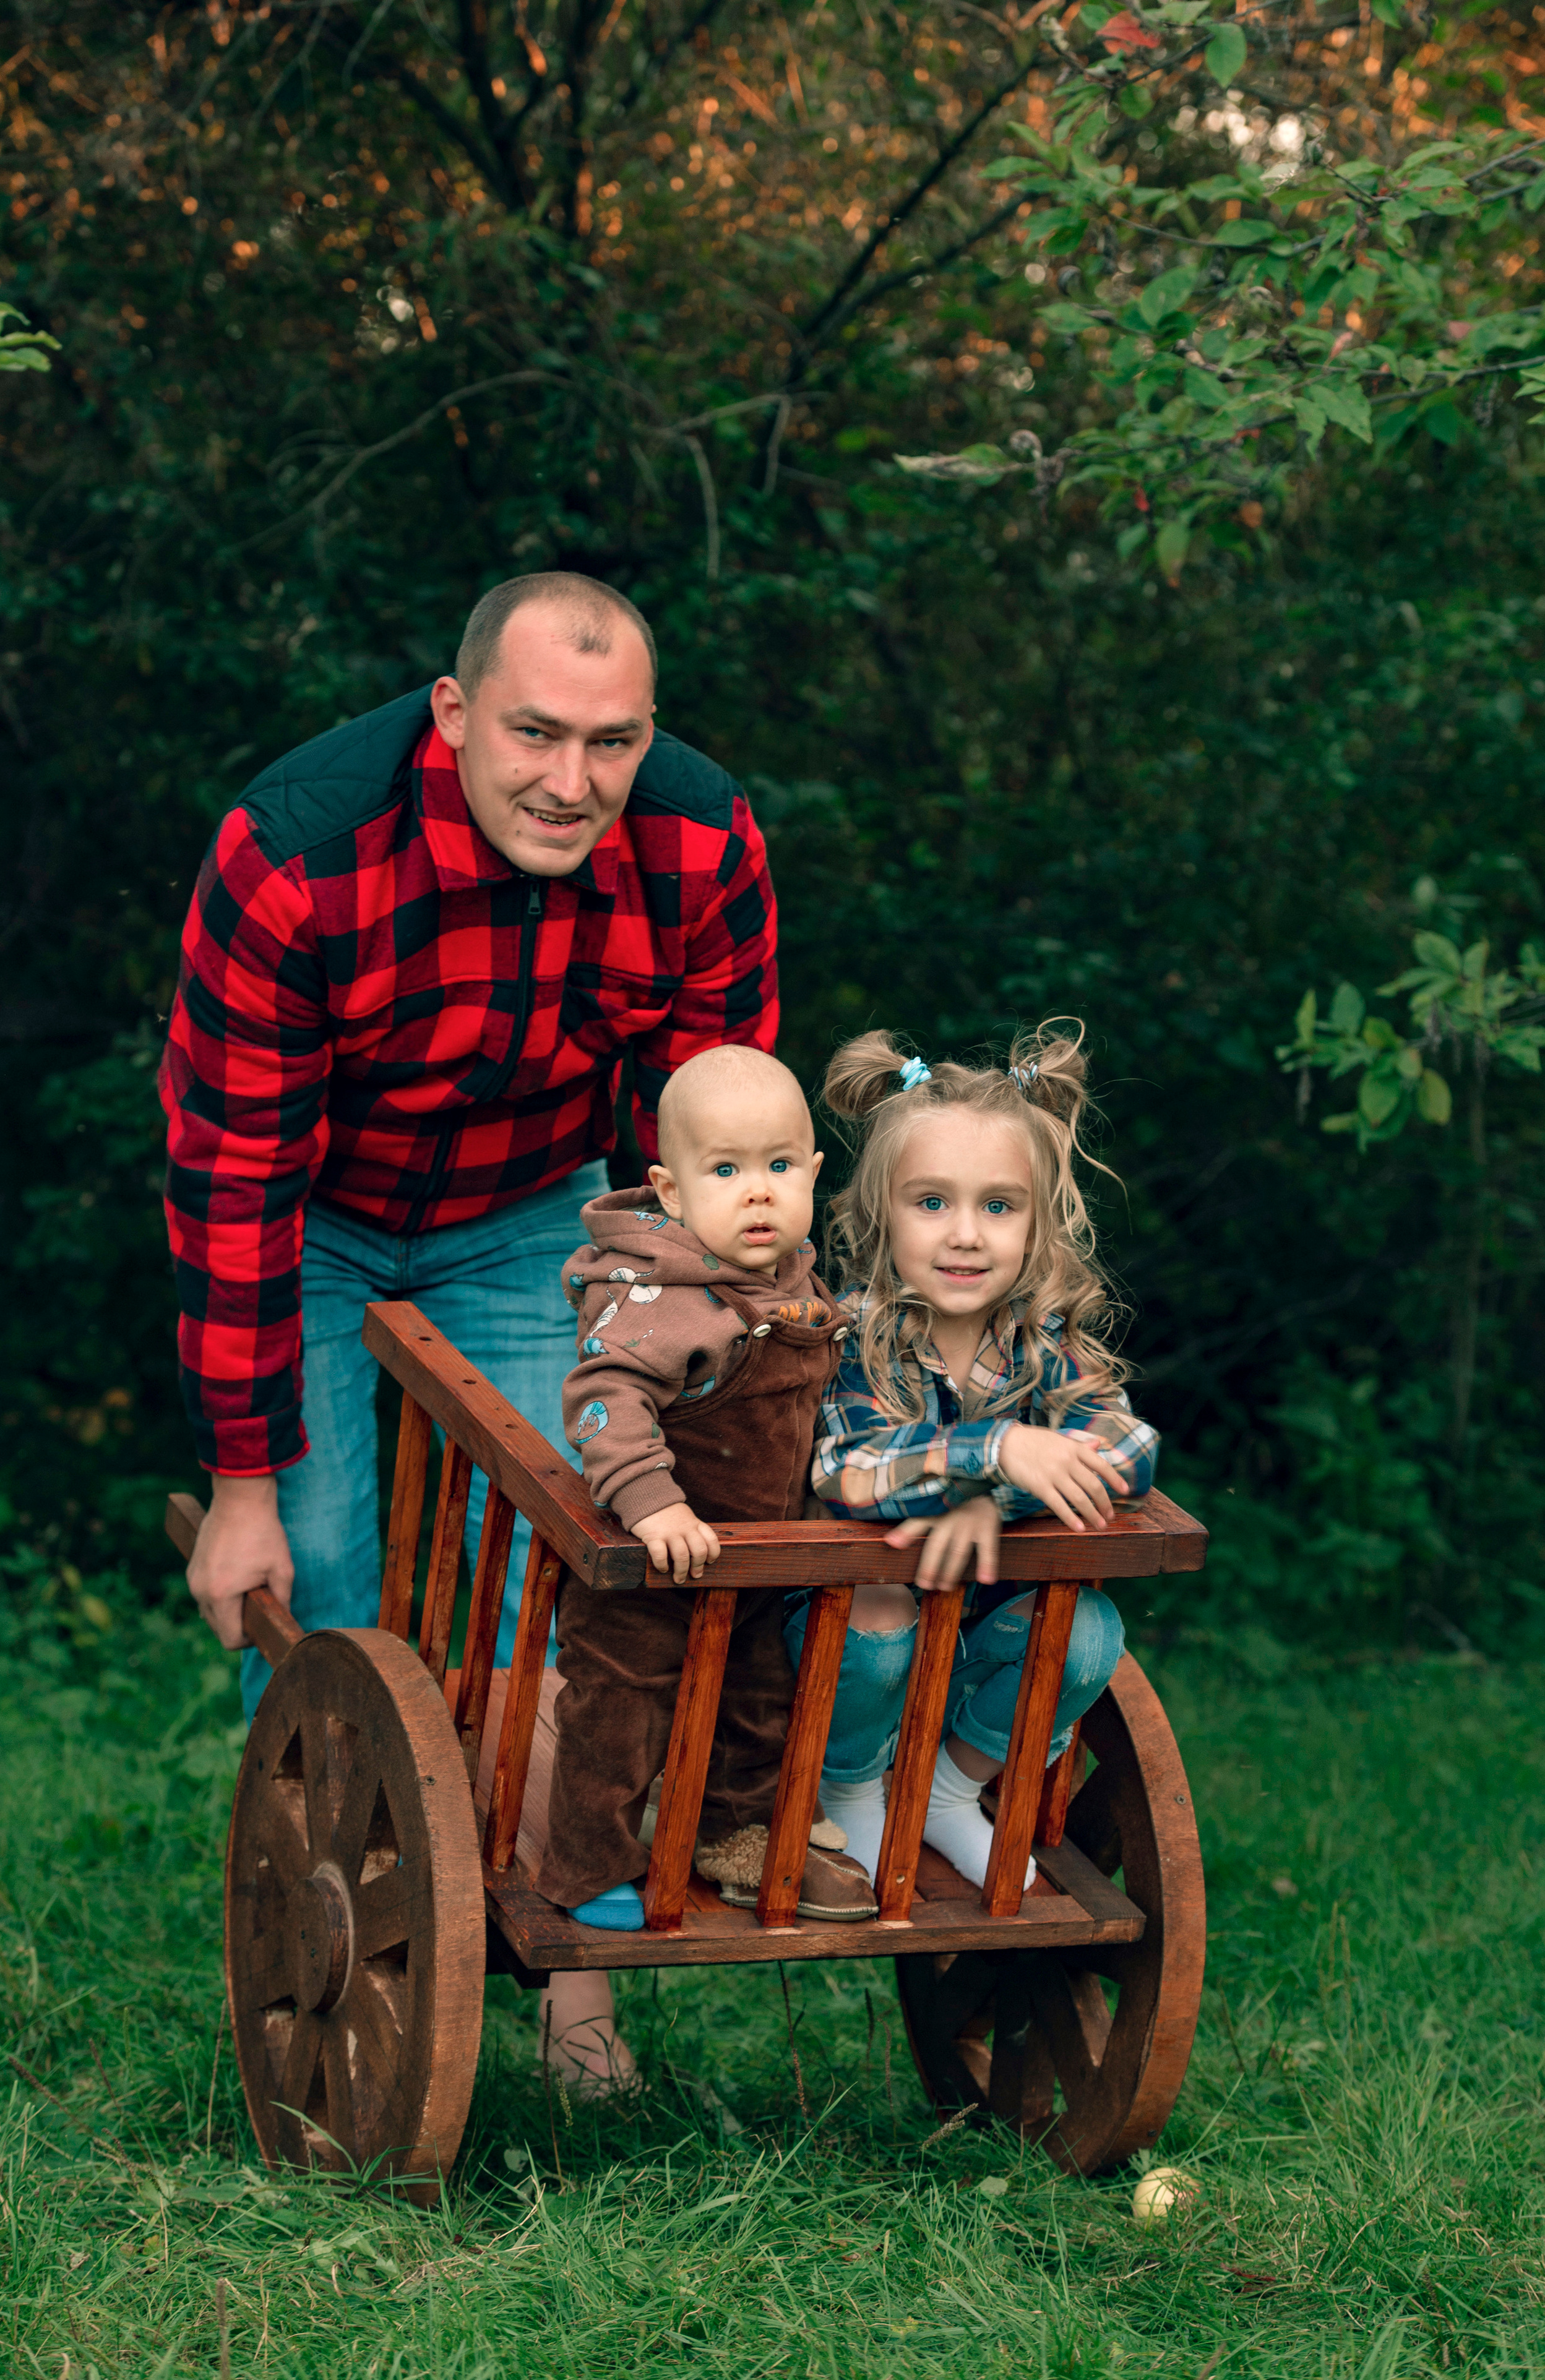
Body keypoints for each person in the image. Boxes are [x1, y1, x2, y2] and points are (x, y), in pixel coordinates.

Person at [160, 571, 778, 2091]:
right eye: (533, 733)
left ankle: (570, 1982)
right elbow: (234, 1184)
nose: (571, 782)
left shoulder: (701, 844)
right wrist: (241, 1489)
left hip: (528, 1211)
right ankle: (328, 1977)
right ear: (451, 714)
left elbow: (709, 1141)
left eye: (612, 742)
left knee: (550, 1571)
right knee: (329, 1590)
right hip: (309, 1214)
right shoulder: (295, 851)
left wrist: (692, 1371)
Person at [791, 1025, 1160, 1888]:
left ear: (1037, 1220)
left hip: (973, 1646)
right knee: (877, 1604)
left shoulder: (1042, 1341)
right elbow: (845, 1468)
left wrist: (992, 1498)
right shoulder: (852, 1335)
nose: (965, 1235)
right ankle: (849, 1793)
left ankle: (953, 1789)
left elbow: (1128, 1444)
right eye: (932, 1203)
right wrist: (995, 1449)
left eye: (999, 1206)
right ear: (882, 1208)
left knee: (1091, 1632)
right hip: (849, 1654)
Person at [540, 1045, 877, 1930]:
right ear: (673, 1191)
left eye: (776, 1167)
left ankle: (732, 1837)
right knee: (620, 1714)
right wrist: (655, 1504)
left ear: (810, 1175)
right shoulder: (657, 1298)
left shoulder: (796, 1280)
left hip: (757, 1561)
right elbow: (602, 1400)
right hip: (652, 1565)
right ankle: (589, 1864)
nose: (756, 1191)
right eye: (725, 1170)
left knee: (759, 1704)